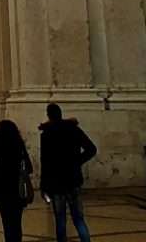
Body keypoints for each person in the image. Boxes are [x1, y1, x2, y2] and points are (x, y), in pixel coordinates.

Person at [38, 103, 96, 242]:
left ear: (48, 115)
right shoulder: (74, 130)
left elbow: (44, 162)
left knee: (60, 220)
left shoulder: (46, 134)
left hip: (56, 183)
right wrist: (77, 161)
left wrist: (43, 186)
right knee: (78, 219)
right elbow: (91, 149)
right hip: (73, 179)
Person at [0, 119, 33, 242]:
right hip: (17, 189)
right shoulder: (19, 143)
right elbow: (29, 166)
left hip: (2, 189)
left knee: (7, 223)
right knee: (17, 223)